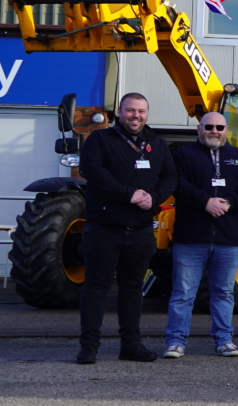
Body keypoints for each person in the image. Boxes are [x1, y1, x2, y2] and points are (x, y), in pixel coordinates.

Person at [75, 92, 177, 364]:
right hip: (103, 228)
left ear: (147, 114)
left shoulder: (157, 144)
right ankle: (89, 347)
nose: (136, 116)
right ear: (119, 112)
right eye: (130, 110)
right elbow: (92, 171)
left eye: (141, 111)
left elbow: (170, 177)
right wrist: (128, 194)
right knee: (96, 287)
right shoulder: (100, 139)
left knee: (132, 288)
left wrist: (154, 198)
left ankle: (130, 346)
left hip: (140, 230)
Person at [164, 112, 238, 359]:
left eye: (219, 127)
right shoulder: (182, 155)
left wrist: (229, 202)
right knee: (183, 294)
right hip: (190, 238)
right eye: (208, 127)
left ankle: (224, 340)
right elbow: (178, 184)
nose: (214, 131)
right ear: (199, 129)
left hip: (227, 239)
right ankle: (175, 342)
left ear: (226, 130)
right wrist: (205, 202)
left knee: (224, 293)